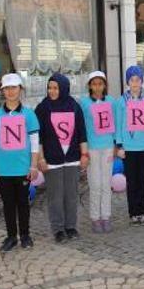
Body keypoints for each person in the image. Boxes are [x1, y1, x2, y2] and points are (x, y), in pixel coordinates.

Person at [0, 73, 40, 251]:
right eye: (7, 88)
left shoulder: (29, 114)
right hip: (3, 169)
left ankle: (25, 235)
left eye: (13, 88)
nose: (10, 92)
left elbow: (34, 142)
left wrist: (33, 165)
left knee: (23, 203)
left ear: (20, 90)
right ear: (3, 91)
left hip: (22, 167)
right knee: (8, 204)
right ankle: (11, 236)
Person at [35, 73, 88, 242]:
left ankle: (71, 227)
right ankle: (58, 229)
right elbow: (38, 136)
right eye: (49, 87)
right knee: (55, 197)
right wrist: (40, 158)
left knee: (71, 195)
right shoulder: (42, 108)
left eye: (55, 88)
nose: (52, 91)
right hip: (52, 159)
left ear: (64, 88)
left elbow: (82, 134)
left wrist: (84, 154)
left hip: (72, 157)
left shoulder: (74, 106)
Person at [116, 65, 144, 226]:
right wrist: (119, 145)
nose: (135, 83)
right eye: (132, 80)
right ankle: (133, 212)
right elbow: (120, 124)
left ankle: (142, 211)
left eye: (137, 80)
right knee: (131, 181)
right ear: (128, 82)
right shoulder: (122, 101)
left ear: (142, 81)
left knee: (142, 181)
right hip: (129, 146)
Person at [80, 71, 118, 233]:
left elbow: (116, 122)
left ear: (104, 85)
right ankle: (95, 217)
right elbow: (81, 127)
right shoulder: (84, 103)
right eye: (94, 84)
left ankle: (106, 216)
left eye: (100, 83)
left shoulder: (111, 101)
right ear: (89, 86)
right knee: (94, 183)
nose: (97, 87)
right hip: (92, 147)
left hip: (108, 146)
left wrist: (116, 143)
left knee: (105, 183)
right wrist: (83, 149)